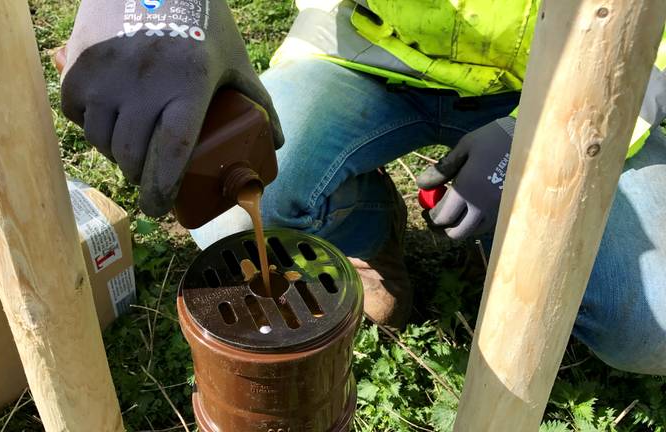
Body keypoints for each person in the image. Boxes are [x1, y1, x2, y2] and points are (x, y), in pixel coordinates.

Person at [59, 0, 666, 375]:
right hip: (374, 50)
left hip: (583, 73)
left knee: (650, 327)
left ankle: (510, 248)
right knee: (234, 212)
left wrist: (555, 126)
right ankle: (373, 239)